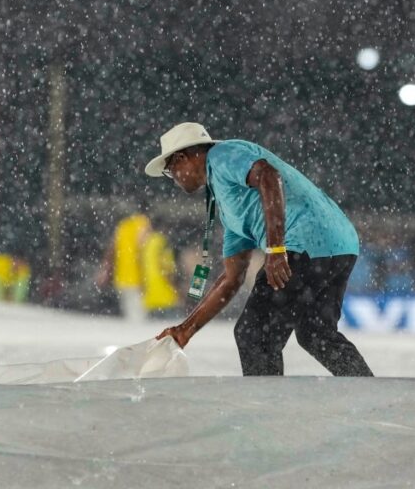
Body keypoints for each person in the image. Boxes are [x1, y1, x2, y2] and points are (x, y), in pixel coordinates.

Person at [148, 122, 373, 377]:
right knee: (315, 333)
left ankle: (267, 409)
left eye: (170, 171)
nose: (173, 179)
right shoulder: (228, 205)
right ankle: (368, 392)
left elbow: (268, 175)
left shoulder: (222, 155)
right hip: (340, 246)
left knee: (254, 334)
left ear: (181, 157)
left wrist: (276, 250)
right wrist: (186, 329)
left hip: (304, 244)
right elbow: (232, 278)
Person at [97, 211, 151, 321]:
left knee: (129, 313)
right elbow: (142, 253)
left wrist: (106, 271)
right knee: (139, 315)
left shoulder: (122, 226)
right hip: (137, 277)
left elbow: (112, 251)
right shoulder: (142, 225)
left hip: (121, 277)